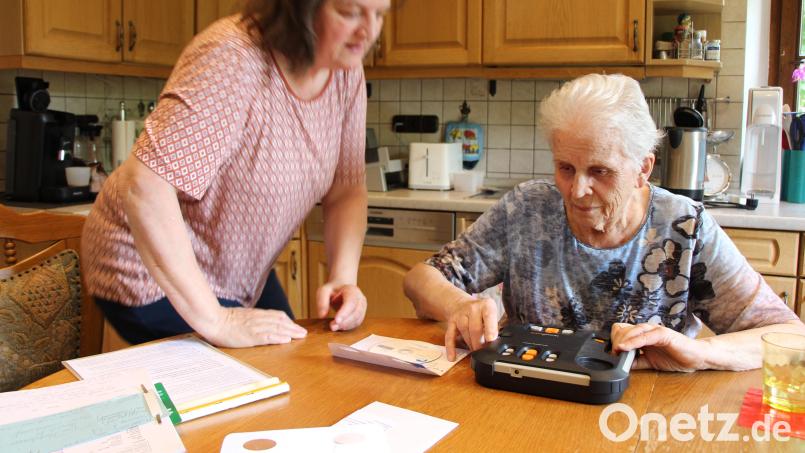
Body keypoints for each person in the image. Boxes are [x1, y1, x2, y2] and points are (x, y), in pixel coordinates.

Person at [404, 74, 805, 371]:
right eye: (565, 167)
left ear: (642, 169)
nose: (577, 190)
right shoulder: (527, 208)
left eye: (600, 171)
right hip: (531, 399)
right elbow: (420, 279)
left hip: (644, 411)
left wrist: (697, 352)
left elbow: (791, 338)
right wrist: (461, 304)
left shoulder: (684, 227)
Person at [82, 0, 390, 347]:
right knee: (274, 373)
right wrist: (217, 320)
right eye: (350, 13)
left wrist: (343, 279)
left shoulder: (345, 71)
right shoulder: (232, 55)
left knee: (299, 360)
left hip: (234, 274)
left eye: (379, 14)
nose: (369, 31)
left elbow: (346, 189)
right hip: (143, 271)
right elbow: (144, 184)